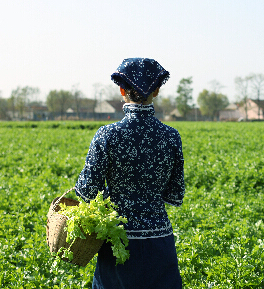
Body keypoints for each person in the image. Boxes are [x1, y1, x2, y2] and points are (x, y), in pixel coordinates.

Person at [75, 58, 185, 289]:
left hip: (118, 242)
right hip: (159, 240)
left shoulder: (107, 135)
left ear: (122, 90)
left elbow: (86, 192)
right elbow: (174, 195)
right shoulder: (171, 136)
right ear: (156, 91)